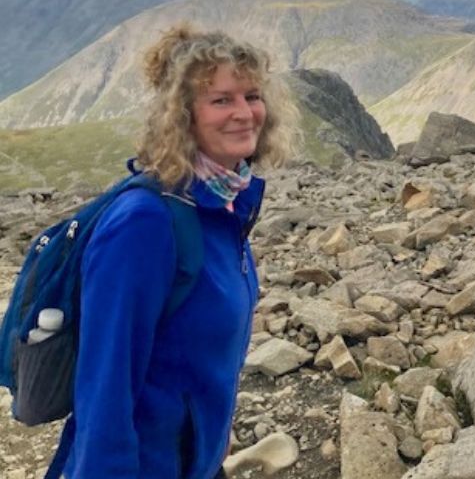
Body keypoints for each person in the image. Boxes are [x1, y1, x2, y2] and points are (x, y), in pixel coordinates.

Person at [57, 24, 299, 478]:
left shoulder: (225, 205)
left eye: (251, 95)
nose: (244, 113)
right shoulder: (145, 224)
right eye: (221, 99)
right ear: (182, 116)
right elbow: (104, 388)